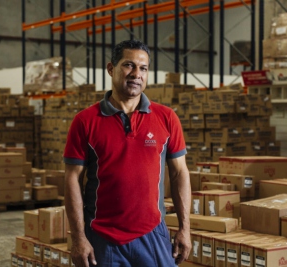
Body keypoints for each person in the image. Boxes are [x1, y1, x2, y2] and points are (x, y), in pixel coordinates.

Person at [64, 39, 192, 267]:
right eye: (129, 65)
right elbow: (73, 178)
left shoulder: (166, 118)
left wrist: (185, 229)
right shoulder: (85, 122)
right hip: (102, 239)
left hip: (153, 235)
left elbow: (179, 173)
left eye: (143, 68)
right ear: (111, 68)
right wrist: (78, 237)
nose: (136, 74)